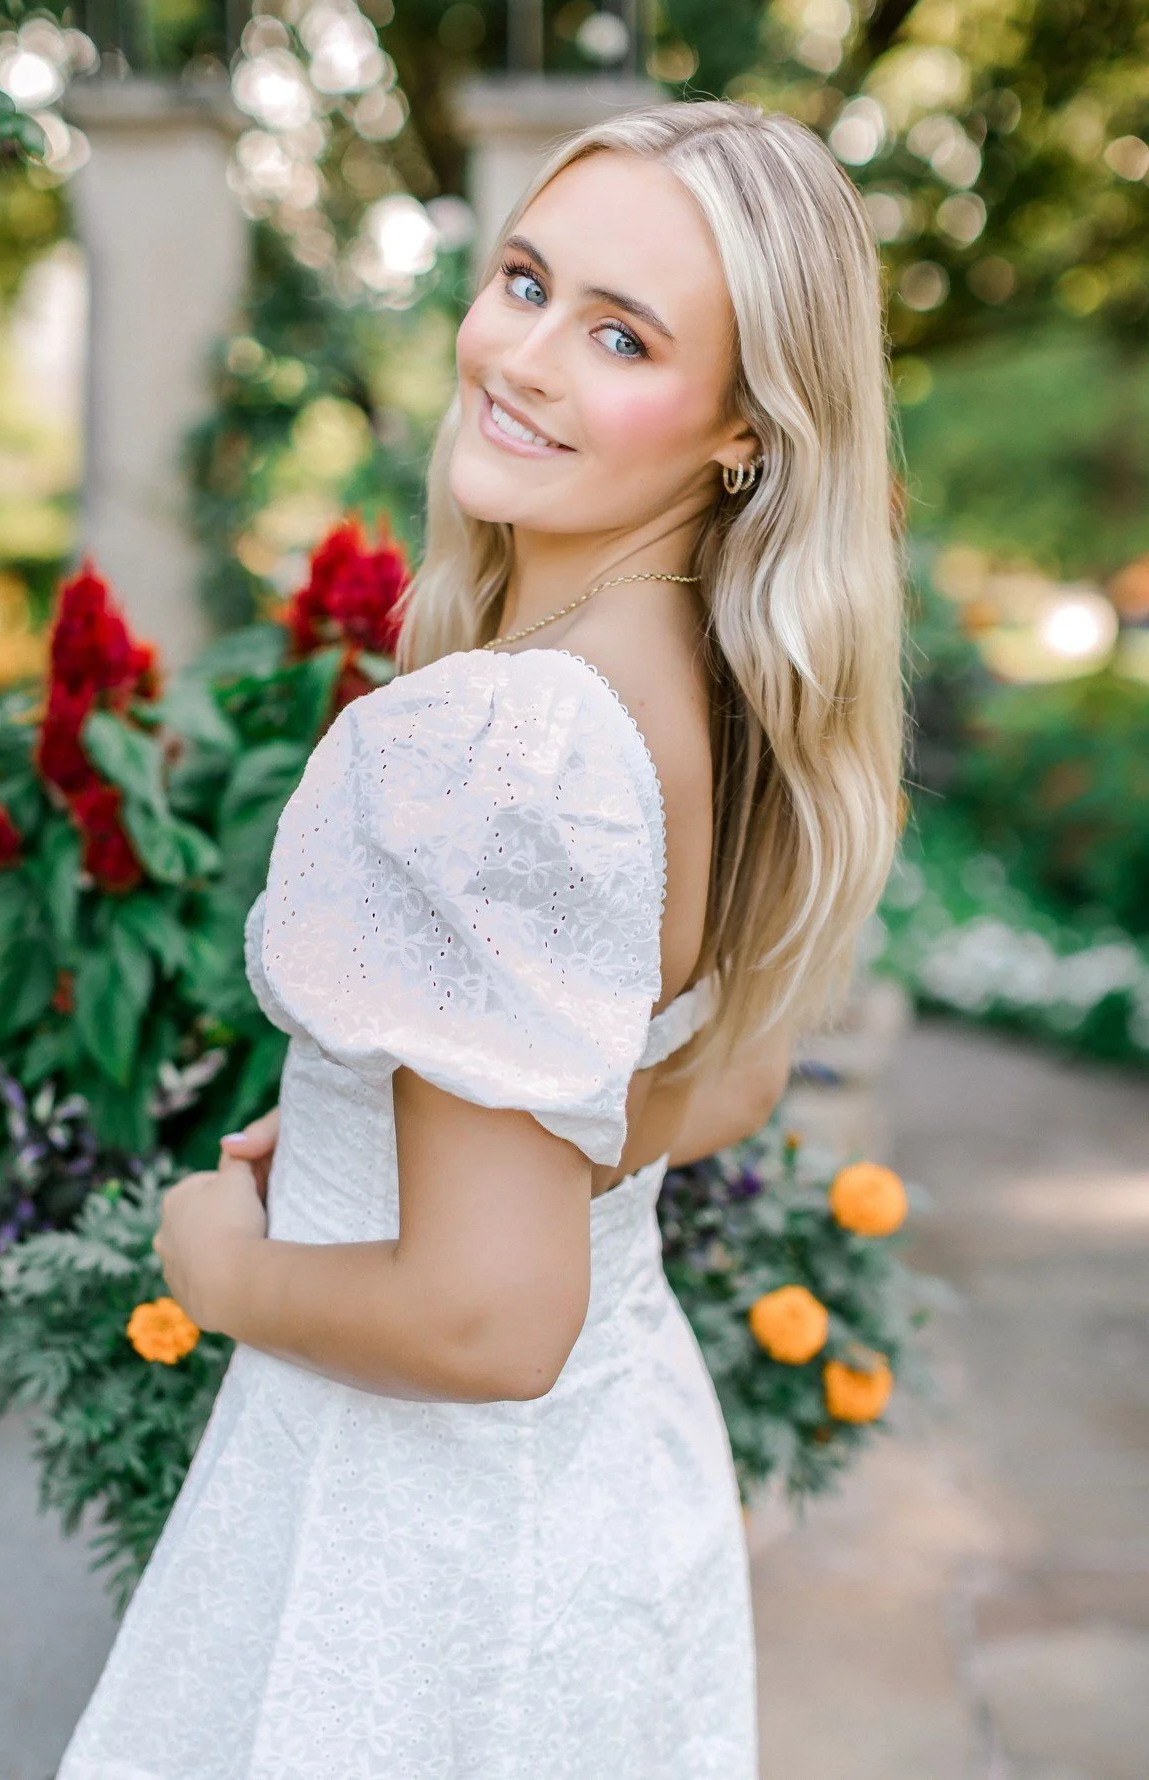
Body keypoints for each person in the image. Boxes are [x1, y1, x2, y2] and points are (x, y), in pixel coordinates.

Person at [57, 96, 905, 1780]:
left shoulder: (504, 744)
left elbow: (485, 1323)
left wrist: (215, 1263)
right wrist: (408, 1128)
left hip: (416, 1543)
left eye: (620, 336)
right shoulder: (735, 686)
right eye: (525, 282)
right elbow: (726, 1084)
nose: (522, 357)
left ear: (744, 429)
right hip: (607, 1499)